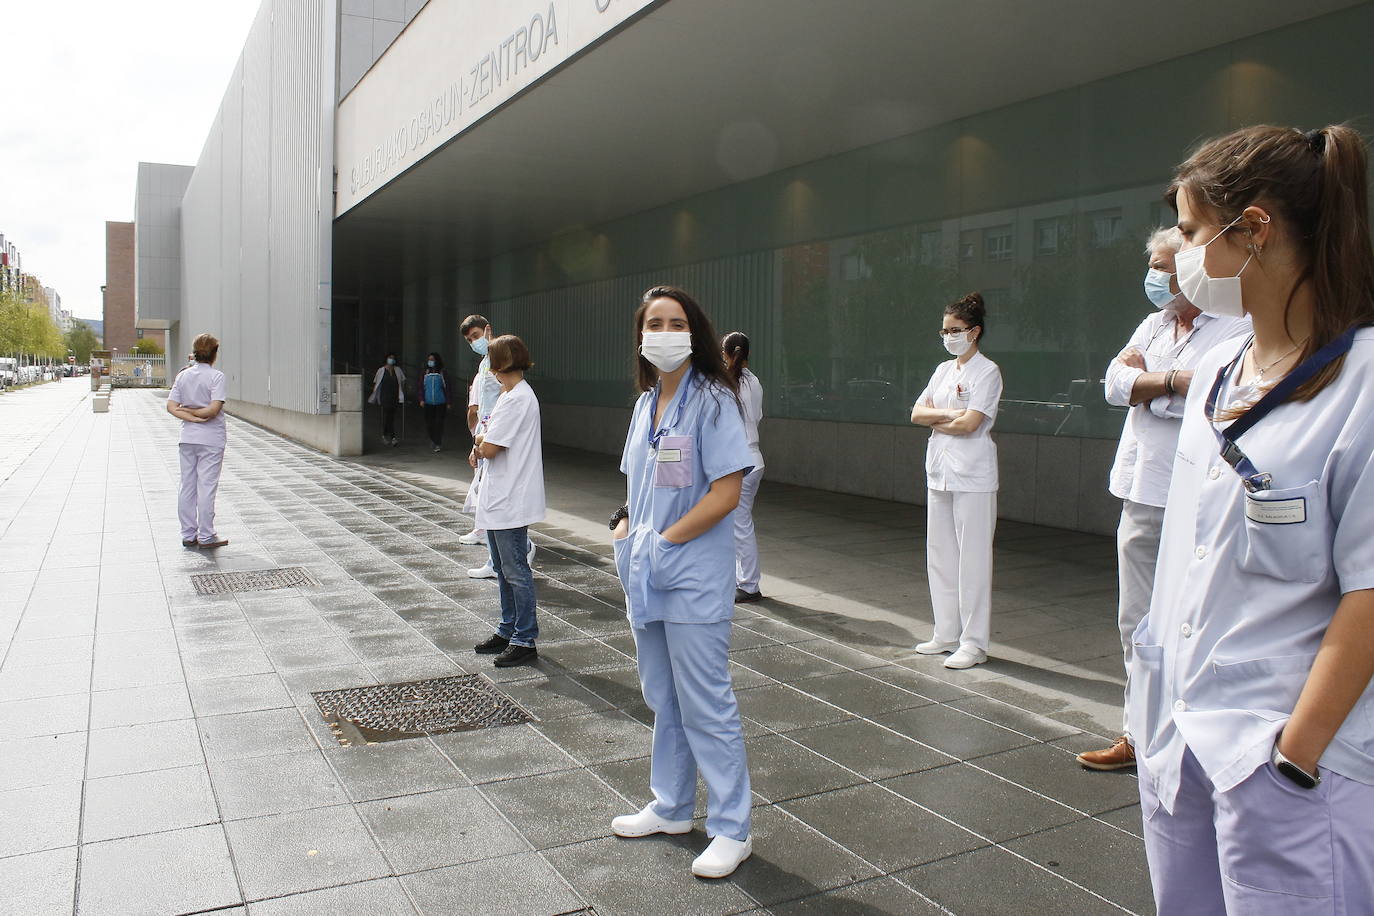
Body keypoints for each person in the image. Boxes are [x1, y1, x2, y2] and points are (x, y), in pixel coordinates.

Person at [1131, 124, 1374, 914]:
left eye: (1195, 232)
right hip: (1181, 742)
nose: (1180, 256)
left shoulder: (1361, 382)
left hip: (1285, 761)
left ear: (1255, 227)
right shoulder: (1214, 374)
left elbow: (1369, 592)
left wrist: (1296, 755)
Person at [1076, 230, 1250, 772]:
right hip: (1140, 489)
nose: (1154, 277)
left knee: (1193, 619)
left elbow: (1213, 397)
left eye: (1162, 266)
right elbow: (1113, 383)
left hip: (1195, 494)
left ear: (1193, 269)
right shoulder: (1154, 323)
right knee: (1136, 619)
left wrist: (1151, 385)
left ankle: (1189, 739)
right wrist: (1172, 381)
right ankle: (1138, 732)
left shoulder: (1236, 326)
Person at [609, 285, 755, 880]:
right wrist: (622, 529)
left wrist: (667, 542)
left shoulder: (714, 401)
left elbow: (727, 491)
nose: (664, 332)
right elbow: (636, 485)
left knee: (706, 701)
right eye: (654, 323)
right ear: (641, 336)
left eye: (676, 322)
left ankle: (731, 827)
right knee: (662, 696)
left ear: (692, 332)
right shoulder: (646, 405)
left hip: (690, 574)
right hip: (645, 571)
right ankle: (670, 806)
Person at [909, 292, 1002, 669]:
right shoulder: (942, 371)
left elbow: (971, 424)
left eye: (956, 330)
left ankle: (974, 643)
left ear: (974, 331)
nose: (948, 337)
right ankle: (946, 632)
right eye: (944, 330)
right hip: (940, 471)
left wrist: (941, 418)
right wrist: (951, 415)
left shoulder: (988, 371)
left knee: (973, 560)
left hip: (973, 475)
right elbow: (916, 413)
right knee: (941, 555)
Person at [471, 335, 546, 668]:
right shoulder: (510, 395)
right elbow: (488, 440)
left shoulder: (518, 399)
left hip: (511, 497)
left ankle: (524, 637)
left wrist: (479, 441)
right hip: (501, 495)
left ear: (500, 365)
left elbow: (490, 446)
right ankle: (507, 628)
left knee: (515, 570)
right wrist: (482, 441)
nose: (489, 369)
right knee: (503, 568)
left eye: (491, 362)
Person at [460, 315, 534, 578]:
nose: (475, 342)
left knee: (494, 499)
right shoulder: (485, 367)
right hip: (489, 426)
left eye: (477, 336)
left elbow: (491, 445)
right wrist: (478, 437)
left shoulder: (515, 392)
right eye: (470, 340)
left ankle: (517, 550)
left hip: (496, 430)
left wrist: (481, 440)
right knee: (485, 493)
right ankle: (498, 558)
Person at [166, 333, 228, 549]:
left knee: (187, 486)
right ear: (214, 353)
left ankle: (188, 534)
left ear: (194, 353)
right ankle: (207, 535)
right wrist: (200, 416)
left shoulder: (183, 376)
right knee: (206, 486)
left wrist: (189, 415)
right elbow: (214, 409)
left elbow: (171, 407)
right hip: (211, 439)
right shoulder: (216, 377)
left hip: (188, 438)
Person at [722, 331, 765, 603]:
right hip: (753, 458)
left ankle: (749, 584)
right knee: (738, 524)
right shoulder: (755, 382)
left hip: (740, 461)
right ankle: (742, 580)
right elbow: (757, 416)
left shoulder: (726, 383)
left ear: (725, 354)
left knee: (739, 525)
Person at [419, 351, 453, 453]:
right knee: (429, 423)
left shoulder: (442, 373)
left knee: (439, 423)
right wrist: (421, 399)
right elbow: (421, 387)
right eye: (429, 360)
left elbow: (447, 388)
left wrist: (448, 401)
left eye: (432, 360)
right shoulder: (425, 373)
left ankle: (437, 443)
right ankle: (433, 439)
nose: (430, 362)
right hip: (428, 402)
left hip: (440, 402)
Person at [368, 353, 405, 446]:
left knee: (391, 417)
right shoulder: (381, 370)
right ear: (386, 359)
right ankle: (392, 437)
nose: (391, 360)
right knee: (387, 416)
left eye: (393, 358)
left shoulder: (398, 370)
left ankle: (385, 435)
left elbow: (402, 381)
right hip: (384, 396)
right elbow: (376, 383)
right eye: (390, 358)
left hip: (395, 397)